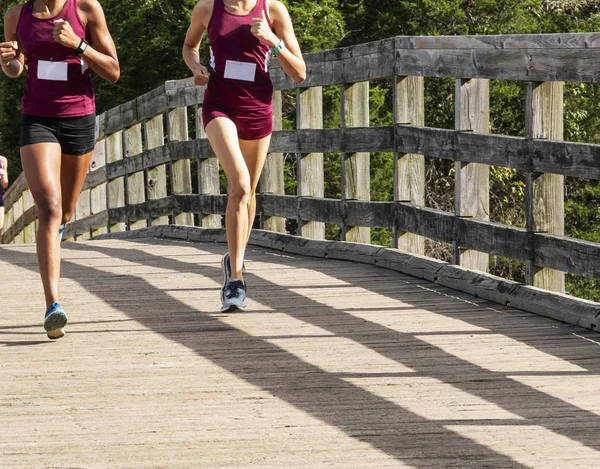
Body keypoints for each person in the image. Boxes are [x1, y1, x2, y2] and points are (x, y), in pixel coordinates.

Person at [1, 0, 119, 339]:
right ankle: (53, 305)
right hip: (37, 117)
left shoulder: (85, 9)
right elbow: (16, 68)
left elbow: (113, 71)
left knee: (65, 210)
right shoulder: (15, 15)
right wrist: (8, 61)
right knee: (49, 207)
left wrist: (78, 44)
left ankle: (58, 230)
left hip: (78, 117)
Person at [183, 0, 305, 311]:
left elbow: (300, 73)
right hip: (219, 104)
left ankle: (234, 259)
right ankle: (235, 280)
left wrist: (273, 41)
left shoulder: (273, 10)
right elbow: (189, 46)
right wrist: (196, 67)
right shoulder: (208, 8)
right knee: (238, 182)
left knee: (248, 192)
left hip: (257, 109)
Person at [0, 155, 8, 236]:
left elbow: (4, 184)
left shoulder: (2, 160)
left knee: (0, 228)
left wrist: (4, 175)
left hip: (0, 201)